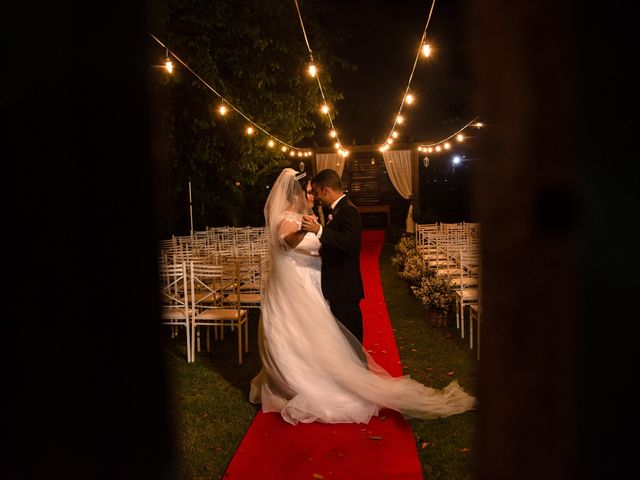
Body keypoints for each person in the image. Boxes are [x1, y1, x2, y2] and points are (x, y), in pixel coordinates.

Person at [249, 167, 476, 425]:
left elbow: (342, 243)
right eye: (309, 192)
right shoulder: (292, 218)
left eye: (314, 192)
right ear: (298, 193)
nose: (312, 197)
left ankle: (339, 377)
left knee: (324, 336)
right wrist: (310, 230)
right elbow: (284, 244)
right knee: (301, 336)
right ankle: (299, 380)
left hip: (318, 284)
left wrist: (317, 230)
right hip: (299, 285)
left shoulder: (328, 214)